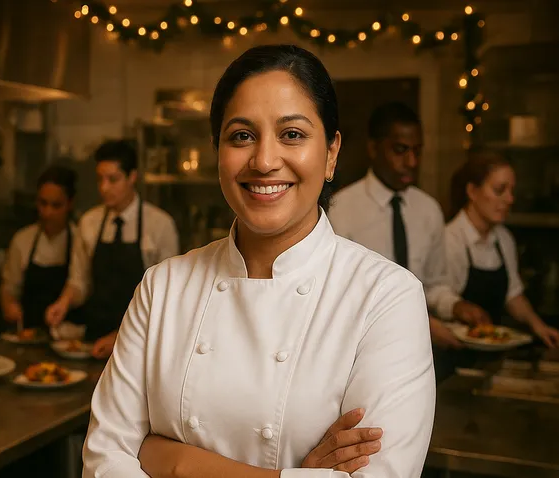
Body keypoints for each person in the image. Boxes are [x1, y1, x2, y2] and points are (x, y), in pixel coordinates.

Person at [82, 45, 435, 477]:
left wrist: (175, 462)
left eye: (292, 135)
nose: (265, 161)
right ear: (218, 153)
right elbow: (103, 461)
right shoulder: (162, 287)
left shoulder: (387, 298)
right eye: (242, 136)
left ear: (331, 153)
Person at [327, 102, 491, 367]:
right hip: (359, 354)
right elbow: (338, 298)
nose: (412, 162)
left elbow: (434, 285)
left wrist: (455, 306)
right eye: (400, 150)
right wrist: (424, 324)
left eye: (417, 151)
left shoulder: (428, 210)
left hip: (423, 355)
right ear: (373, 149)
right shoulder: (341, 210)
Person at [445, 150, 559, 349]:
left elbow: (513, 295)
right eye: (500, 190)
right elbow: (439, 297)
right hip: (456, 350)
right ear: (472, 191)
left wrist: (539, 327)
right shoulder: (450, 239)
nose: (510, 199)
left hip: (494, 349)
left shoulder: (504, 239)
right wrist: (460, 308)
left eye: (511, 191)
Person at [77, 140, 179, 358]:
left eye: (113, 179)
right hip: (94, 341)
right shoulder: (89, 222)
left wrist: (120, 336)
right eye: (100, 179)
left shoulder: (160, 225)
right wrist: (62, 303)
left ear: (132, 177)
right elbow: (79, 282)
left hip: (141, 344)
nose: (104, 188)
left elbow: (166, 298)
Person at [1, 165, 88, 334]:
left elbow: (82, 285)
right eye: (43, 203)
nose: (48, 212)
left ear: (70, 204)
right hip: (29, 335)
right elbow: (9, 288)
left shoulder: (81, 239)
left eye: (56, 205)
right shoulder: (22, 240)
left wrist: (64, 303)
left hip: (69, 337)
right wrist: (9, 305)